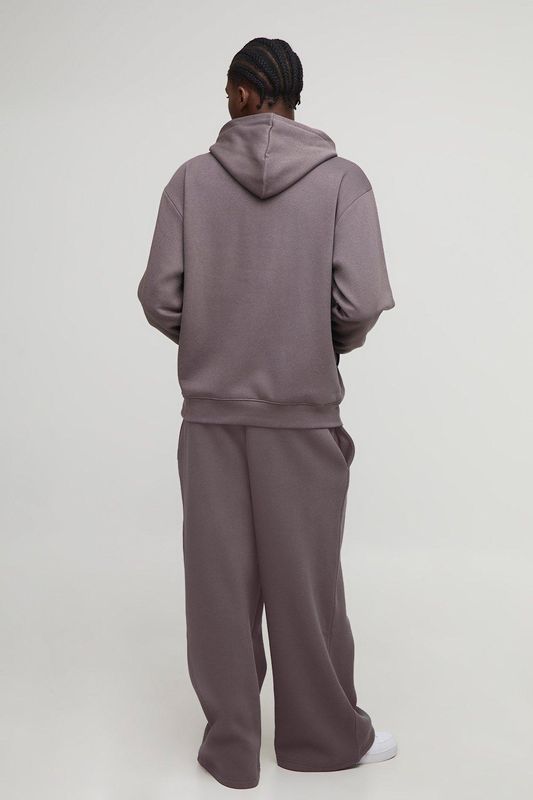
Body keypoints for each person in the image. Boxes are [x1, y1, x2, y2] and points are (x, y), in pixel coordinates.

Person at [137, 36, 397, 790]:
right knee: (307, 587)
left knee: (217, 588)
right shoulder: (343, 182)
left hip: (211, 420)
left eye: (229, 89)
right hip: (302, 417)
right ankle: (321, 741)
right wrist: (316, 343)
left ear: (250, 93)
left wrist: (214, 337)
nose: (225, 101)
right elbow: (360, 301)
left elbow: (159, 295)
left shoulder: (190, 181)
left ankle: (229, 753)